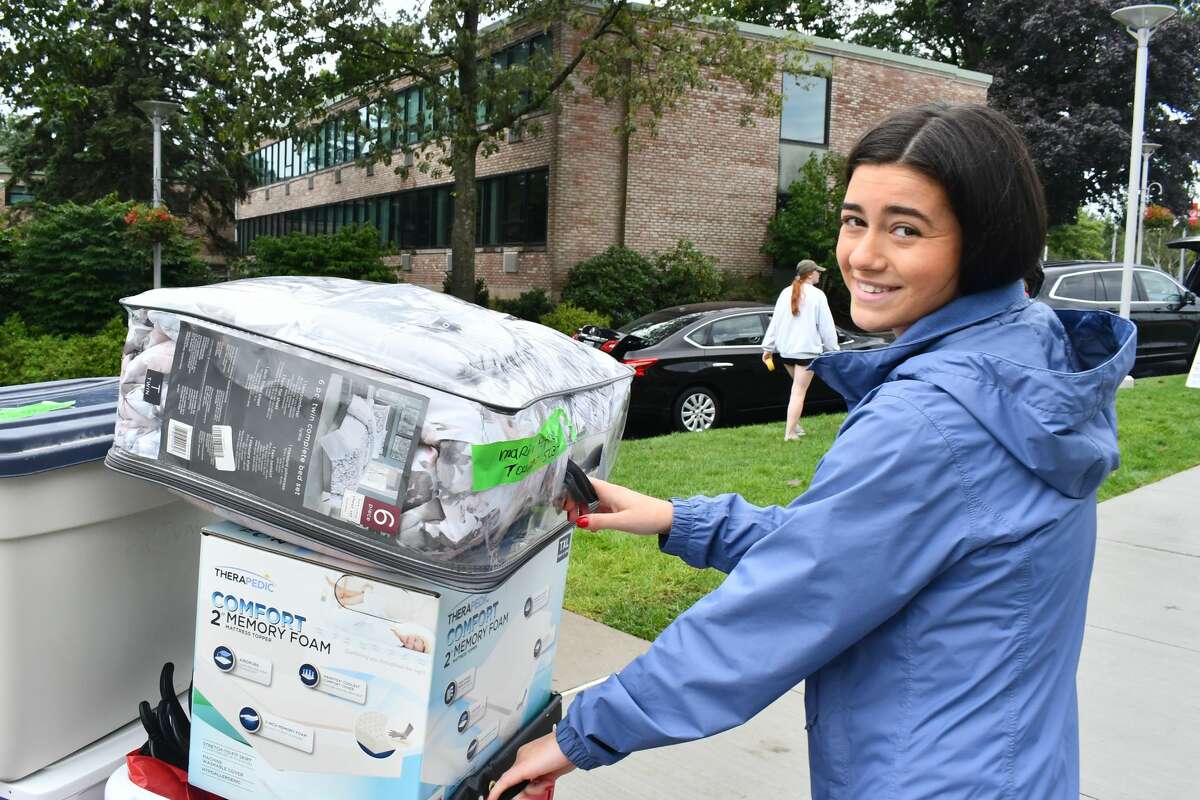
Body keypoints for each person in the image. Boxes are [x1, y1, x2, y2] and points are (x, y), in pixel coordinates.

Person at [488, 103, 1135, 800]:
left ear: (981, 242)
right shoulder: (1023, 354)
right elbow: (862, 547)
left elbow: (789, 601)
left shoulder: (936, 420)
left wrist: (583, 731)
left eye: (906, 230)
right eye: (855, 220)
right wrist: (681, 520)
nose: (863, 255)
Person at [761, 259, 840, 439]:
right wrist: (834, 350)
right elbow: (826, 326)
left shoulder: (785, 293)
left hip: (786, 352)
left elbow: (775, 322)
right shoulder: (818, 295)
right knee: (799, 392)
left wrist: (768, 348)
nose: (820, 274)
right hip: (807, 352)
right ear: (810, 274)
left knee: (796, 390)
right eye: (817, 271)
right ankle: (789, 433)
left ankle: (795, 426)